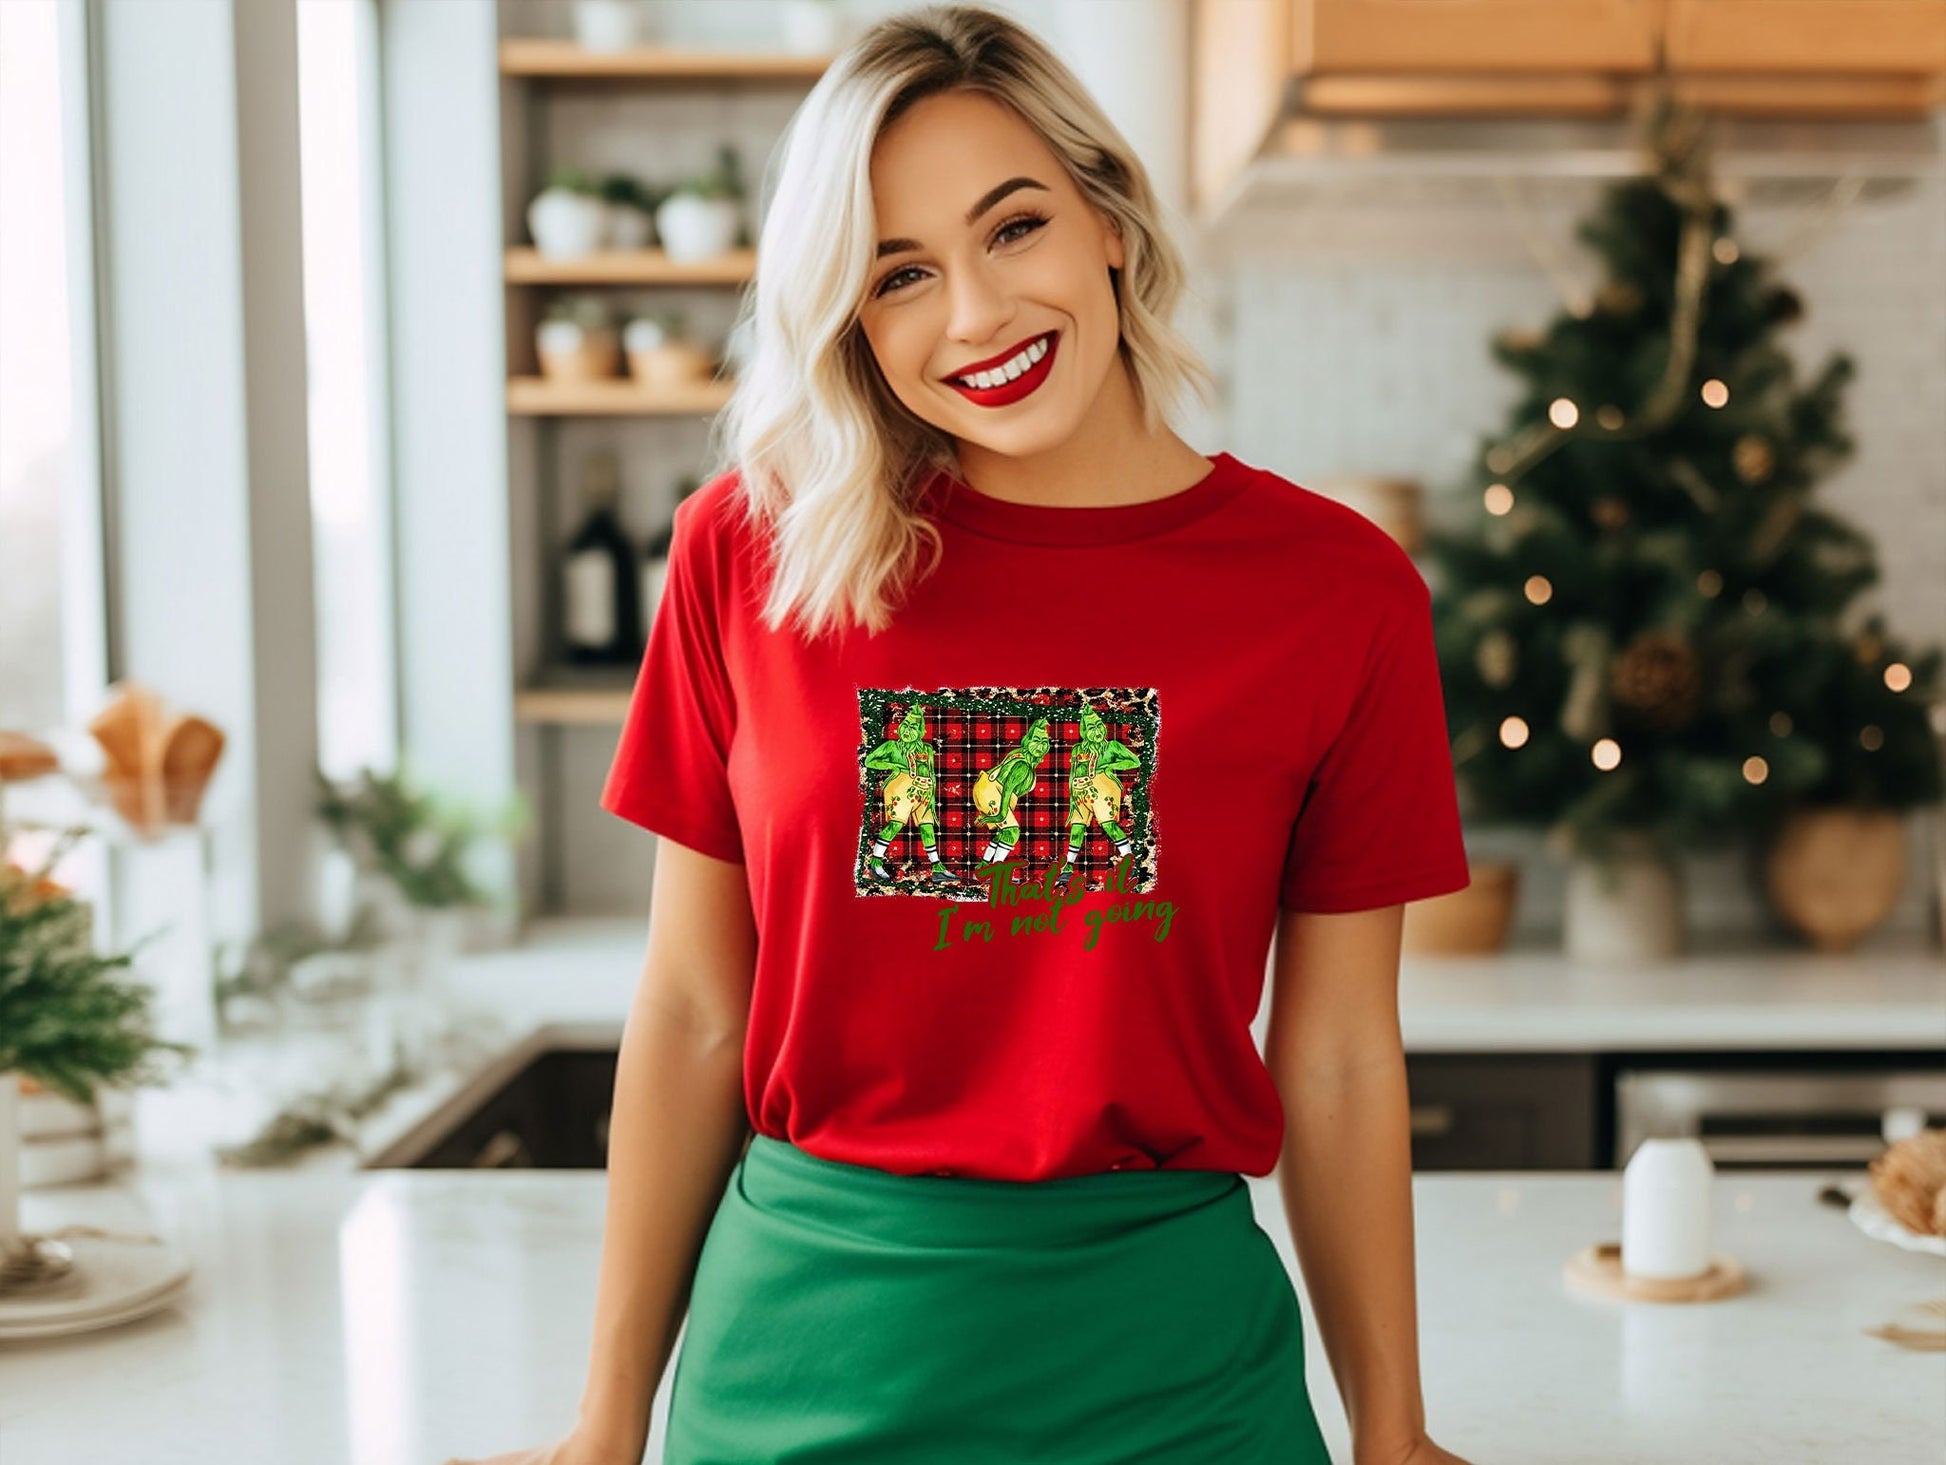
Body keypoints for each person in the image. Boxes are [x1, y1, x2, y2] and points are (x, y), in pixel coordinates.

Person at [450, 6, 1478, 1464]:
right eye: (898, 276)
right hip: (793, 1372)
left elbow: (1338, 1059)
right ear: (849, 323)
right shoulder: (747, 555)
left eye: (1012, 229)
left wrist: (1394, 1432)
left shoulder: (1334, 590)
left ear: (1106, 218)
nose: (976, 316)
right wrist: (603, 1424)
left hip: (1175, 1383)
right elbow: (689, 1009)